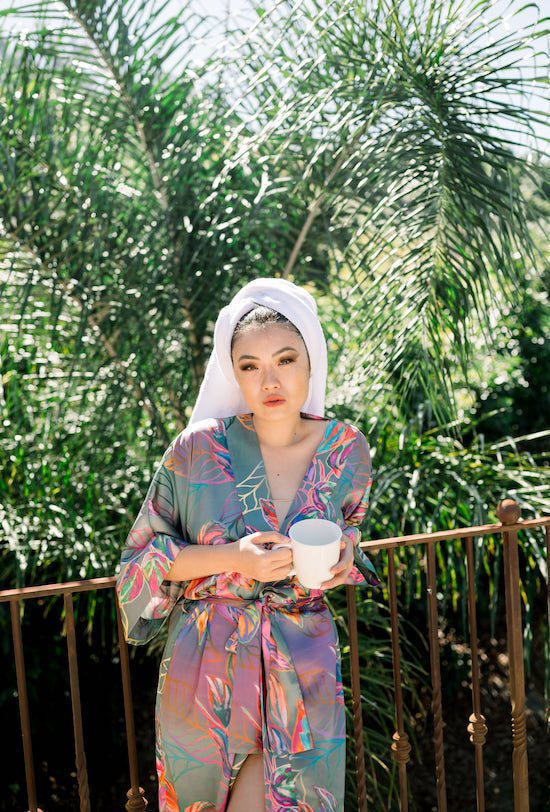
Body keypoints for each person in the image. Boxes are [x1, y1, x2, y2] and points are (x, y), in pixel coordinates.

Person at [116, 277, 379, 812]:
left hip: (303, 666)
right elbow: (141, 563)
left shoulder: (346, 450)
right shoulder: (195, 452)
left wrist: (347, 555)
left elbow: (348, 533)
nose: (270, 380)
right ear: (233, 373)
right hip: (206, 668)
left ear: (312, 361)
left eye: (285, 360)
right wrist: (236, 560)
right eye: (250, 366)